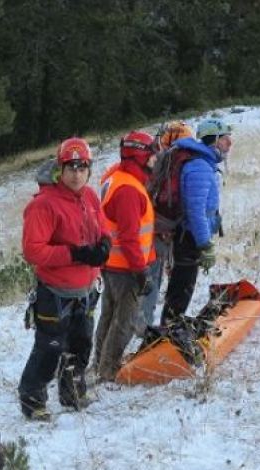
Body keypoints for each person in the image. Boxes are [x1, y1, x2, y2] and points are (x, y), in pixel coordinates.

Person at [18, 137, 109, 420]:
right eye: (71, 167)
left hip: (86, 290)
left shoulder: (91, 196)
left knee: (81, 345)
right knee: (49, 348)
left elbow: (102, 227)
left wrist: (105, 243)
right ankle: (33, 400)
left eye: (83, 167)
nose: (77, 173)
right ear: (60, 168)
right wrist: (76, 254)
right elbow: (34, 251)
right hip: (55, 293)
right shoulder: (43, 205)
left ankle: (73, 392)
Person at [92, 130, 157, 381]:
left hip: (112, 265)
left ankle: (99, 364)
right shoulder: (129, 190)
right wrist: (140, 270)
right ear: (139, 156)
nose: (155, 158)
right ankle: (108, 371)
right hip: (127, 268)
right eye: (151, 153)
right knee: (124, 321)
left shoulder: (115, 177)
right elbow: (130, 237)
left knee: (108, 316)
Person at [161, 118, 232, 327]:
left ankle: (170, 329)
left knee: (182, 287)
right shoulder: (199, 166)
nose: (230, 143)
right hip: (189, 238)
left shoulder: (204, 162)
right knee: (180, 289)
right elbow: (196, 211)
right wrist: (205, 244)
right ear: (214, 141)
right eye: (226, 138)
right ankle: (167, 334)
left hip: (190, 237)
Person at [138, 120, 194, 335]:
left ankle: (144, 327)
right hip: (161, 234)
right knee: (151, 284)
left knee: (150, 285)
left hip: (155, 232)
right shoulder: (177, 163)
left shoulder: (162, 163)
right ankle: (143, 329)